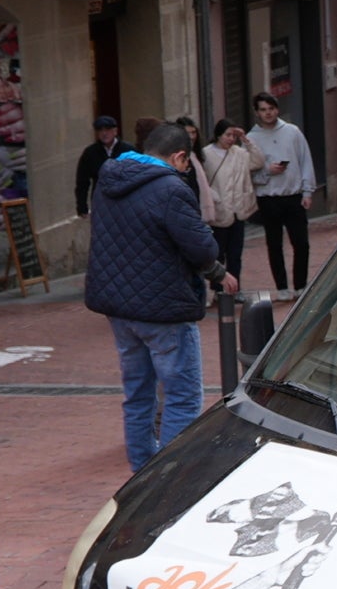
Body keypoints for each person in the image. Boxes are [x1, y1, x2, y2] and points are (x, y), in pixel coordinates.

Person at [86, 121, 238, 473]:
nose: (186, 170)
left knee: (138, 396)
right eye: (186, 164)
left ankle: (142, 471)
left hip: (119, 308)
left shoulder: (110, 178)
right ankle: (168, 477)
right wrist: (216, 270)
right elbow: (202, 247)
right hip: (163, 308)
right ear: (179, 156)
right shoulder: (171, 188)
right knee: (182, 398)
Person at [247, 91, 316, 296]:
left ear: (277, 109)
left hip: (292, 196)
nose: (268, 113)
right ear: (257, 113)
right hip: (268, 197)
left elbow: (305, 161)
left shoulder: (293, 132)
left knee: (301, 242)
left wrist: (307, 191)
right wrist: (268, 171)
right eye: (263, 110)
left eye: (271, 109)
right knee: (274, 244)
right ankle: (282, 287)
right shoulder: (251, 138)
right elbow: (248, 171)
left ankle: (300, 285)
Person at [199, 115, 260, 280]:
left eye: (233, 135)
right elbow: (201, 180)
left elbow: (258, 162)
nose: (231, 139)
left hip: (237, 210)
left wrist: (245, 140)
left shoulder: (239, 153)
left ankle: (235, 287)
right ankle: (218, 287)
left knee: (235, 254)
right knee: (217, 254)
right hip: (218, 211)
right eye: (228, 135)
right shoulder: (206, 154)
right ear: (219, 135)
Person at [73, 114, 120, 218]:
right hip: (101, 201)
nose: (104, 133)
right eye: (100, 130)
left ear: (115, 131)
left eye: (107, 129)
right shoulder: (90, 153)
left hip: (124, 200)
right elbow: (82, 182)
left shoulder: (127, 150)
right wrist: (82, 207)